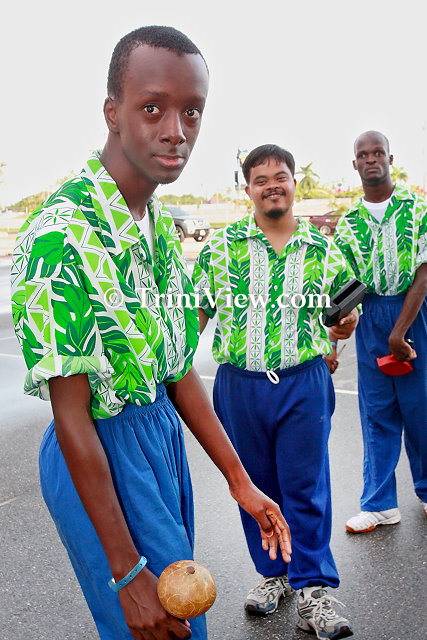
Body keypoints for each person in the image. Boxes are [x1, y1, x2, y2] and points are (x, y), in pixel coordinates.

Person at [10, 28, 292, 640]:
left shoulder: (158, 223)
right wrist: (127, 572)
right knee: (160, 623)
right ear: (112, 112)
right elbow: (71, 415)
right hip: (101, 450)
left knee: (183, 616)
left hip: (159, 438)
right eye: (152, 108)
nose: (176, 130)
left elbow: (178, 369)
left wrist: (241, 482)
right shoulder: (61, 235)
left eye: (192, 112)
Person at [192, 144, 357, 640]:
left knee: (306, 487)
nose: (271, 186)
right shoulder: (222, 248)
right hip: (239, 387)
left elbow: (343, 313)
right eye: (260, 179)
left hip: (303, 382)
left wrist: (343, 327)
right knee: (255, 485)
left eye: (280, 176)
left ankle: (313, 590)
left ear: (293, 183)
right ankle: (274, 575)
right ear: (248, 189)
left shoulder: (323, 249)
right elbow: (197, 313)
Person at [334, 130, 427, 533]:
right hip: (371, 315)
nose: (371, 159)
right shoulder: (349, 224)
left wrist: (400, 332)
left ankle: (426, 490)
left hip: (414, 311)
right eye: (363, 154)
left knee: (421, 408)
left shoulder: (417, 208)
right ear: (355, 164)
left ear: (391, 158)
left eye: (378, 153)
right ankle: (379, 504)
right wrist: (333, 343)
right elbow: (347, 290)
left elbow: (424, 273)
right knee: (376, 413)